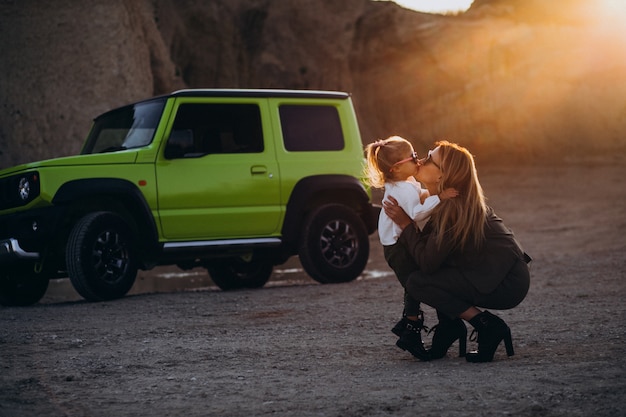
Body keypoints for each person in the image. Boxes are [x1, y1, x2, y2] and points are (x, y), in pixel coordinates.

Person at [384, 140, 531, 363]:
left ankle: (487, 326)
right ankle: (449, 327)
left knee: (419, 281)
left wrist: (405, 225)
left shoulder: (453, 209)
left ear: (442, 176)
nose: (420, 160)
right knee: (429, 274)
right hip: (491, 274)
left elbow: (427, 262)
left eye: (429, 159)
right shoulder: (445, 203)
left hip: (506, 282)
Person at [364, 136, 458, 361]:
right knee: (415, 284)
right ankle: (411, 330)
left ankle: (413, 324)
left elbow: (422, 196)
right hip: (398, 247)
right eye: (413, 157)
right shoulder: (402, 190)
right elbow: (416, 213)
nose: (418, 160)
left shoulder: (404, 184)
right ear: (397, 168)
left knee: (415, 284)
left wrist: (433, 194)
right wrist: (442, 197)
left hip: (399, 243)